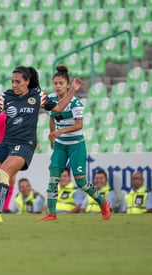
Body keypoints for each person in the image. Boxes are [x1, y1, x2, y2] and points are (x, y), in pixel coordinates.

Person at [0, 65, 83, 223]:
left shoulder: (37, 95)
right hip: (6, 143)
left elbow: (58, 108)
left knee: (4, 173)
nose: (14, 85)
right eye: (12, 82)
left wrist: (72, 90)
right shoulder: (7, 96)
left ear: (27, 81)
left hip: (25, 144)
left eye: (18, 82)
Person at [39, 65, 111, 221]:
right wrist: (52, 137)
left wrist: (60, 132)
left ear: (67, 85)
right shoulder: (51, 99)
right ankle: (51, 213)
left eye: (61, 83)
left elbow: (79, 125)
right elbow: (52, 118)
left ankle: (103, 202)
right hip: (60, 144)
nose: (57, 86)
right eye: (55, 83)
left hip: (76, 144)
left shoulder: (75, 103)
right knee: (53, 178)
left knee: (81, 182)